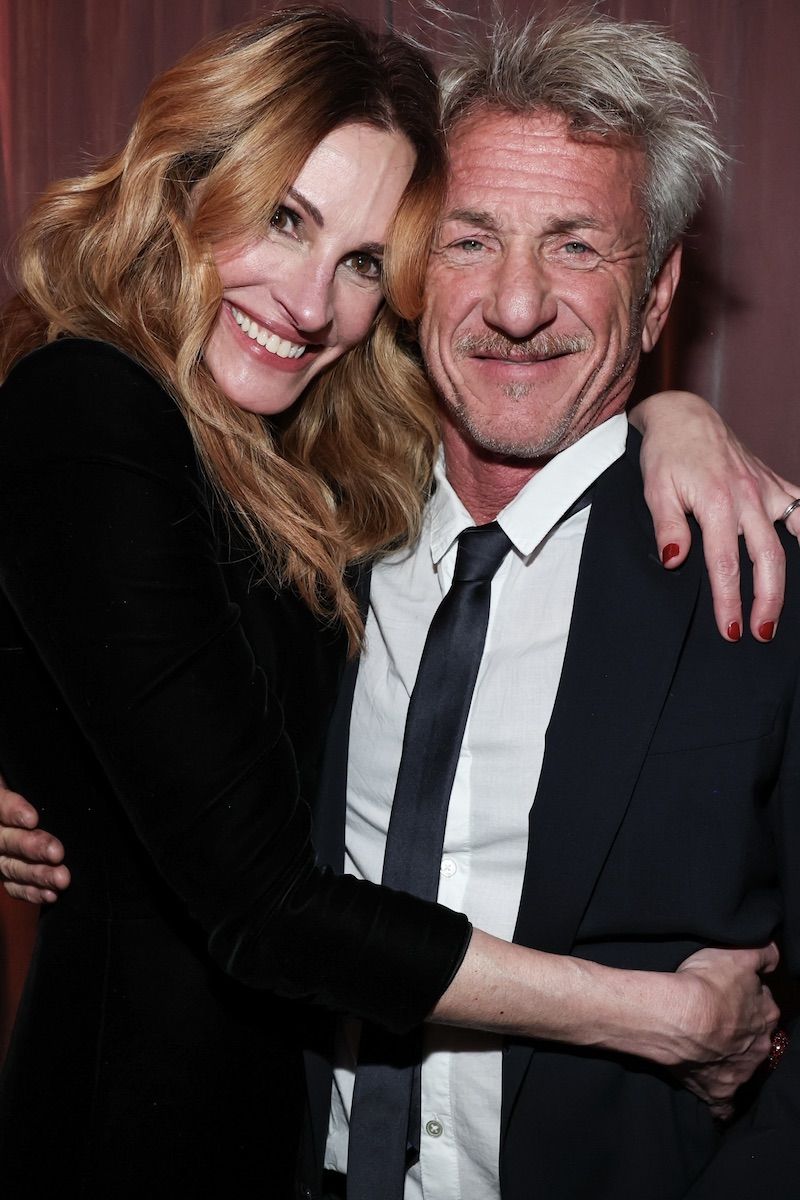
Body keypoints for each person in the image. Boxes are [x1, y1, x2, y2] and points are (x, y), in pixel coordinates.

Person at [0, 5, 789, 1198]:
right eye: (284, 217)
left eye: (365, 260)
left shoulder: (323, 487)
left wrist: (668, 417)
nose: (309, 302)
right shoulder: (110, 415)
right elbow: (258, 896)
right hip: (146, 1146)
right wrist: (660, 1017)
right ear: (184, 186)